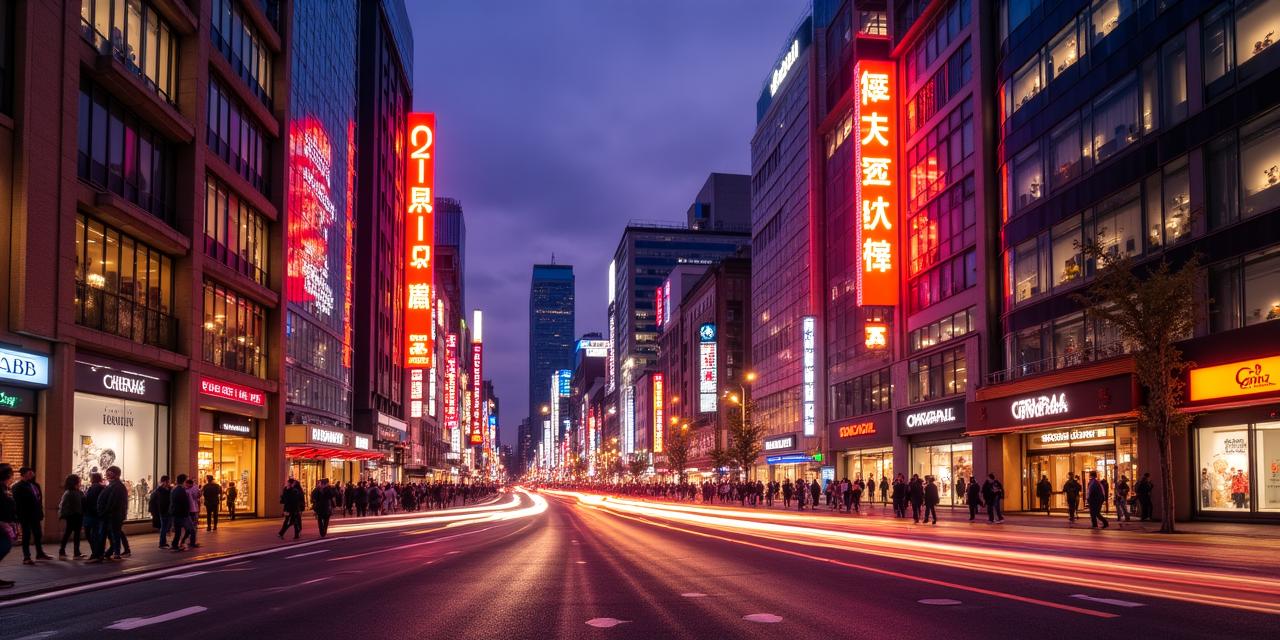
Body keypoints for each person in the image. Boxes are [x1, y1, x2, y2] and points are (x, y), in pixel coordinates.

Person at [12, 467, 50, 564]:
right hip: (25, 515)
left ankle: (40, 553)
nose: (32, 474)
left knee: (38, 534)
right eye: (29, 472)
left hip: (35, 514)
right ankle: (26, 557)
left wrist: (40, 512)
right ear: (24, 474)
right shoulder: (17, 487)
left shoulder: (35, 485)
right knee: (26, 535)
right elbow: (18, 503)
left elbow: (39, 500)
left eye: (32, 472)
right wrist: (18, 515)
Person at [98, 466, 129, 560]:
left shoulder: (116, 486)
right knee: (113, 534)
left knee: (114, 534)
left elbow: (112, 502)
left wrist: (104, 512)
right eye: (107, 473)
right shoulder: (113, 485)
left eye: (110, 473)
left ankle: (115, 552)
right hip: (112, 514)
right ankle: (111, 552)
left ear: (116, 474)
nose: (107, 475)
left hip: (113, 515)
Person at [0, 464, 20, 588]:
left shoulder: (4, 488)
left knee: (5, 545)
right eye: (11, 474)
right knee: (4, 545)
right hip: (1, 524)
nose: (13, 476)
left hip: (5, 522)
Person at [57, 475, 85, 559]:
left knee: (71, 533)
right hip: (74, 516)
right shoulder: (71, 493)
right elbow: (66, 505)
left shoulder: (74, 492)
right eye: (79, 480)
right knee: (71, 533)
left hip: (75, 515)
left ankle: (72, 552)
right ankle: (73, 552)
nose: (80, 482)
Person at [83, 472, 106, 561]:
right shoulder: (100, 487)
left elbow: (90, 501)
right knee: (95, 534)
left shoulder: (94, 488)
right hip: (95, 514)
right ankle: (99, 553)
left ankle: (96, 553)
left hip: (91, 514)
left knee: (92, 535)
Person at [168, 474, 193, 552]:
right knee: (187, 529)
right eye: (186, 480)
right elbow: (184, 503)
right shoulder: (181, 490)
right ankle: (177, 544)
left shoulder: (175, 489)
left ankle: (176, 544)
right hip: (181, 514)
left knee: (179, 530)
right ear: (184, 481)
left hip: (176, 513)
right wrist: (186, 512)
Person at [149, 476, 173, 549]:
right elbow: (156, 502)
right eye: (168, 481)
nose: (169, 483)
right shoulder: (159, 491)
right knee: (164, 527)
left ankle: (164, 542)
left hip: (168, 511)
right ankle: (162, 543)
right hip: (163, 511)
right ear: (165, 482)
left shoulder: (169, 489)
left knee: (166, 527)